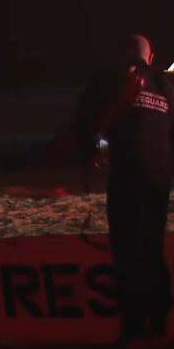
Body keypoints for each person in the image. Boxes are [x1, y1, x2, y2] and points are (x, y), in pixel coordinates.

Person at [74, 35, 174, 347]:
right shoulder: (165, 83)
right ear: (152, 55)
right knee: (152, 246)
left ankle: (132, 327)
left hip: (128, 174)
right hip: (160, 176)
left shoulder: (111, 76)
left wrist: (91, 152)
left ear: (122, 53)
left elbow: (85, 118)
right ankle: (158, 323)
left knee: (126, 250)